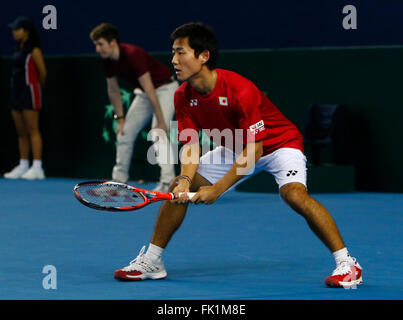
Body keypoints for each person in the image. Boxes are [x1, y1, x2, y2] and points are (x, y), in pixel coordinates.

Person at [113, 22, 363, 288]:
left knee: (294, 195)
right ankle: (152, 262)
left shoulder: (239, 89)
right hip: (234, 146)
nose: (173, 60)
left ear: (203, 56)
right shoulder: (182, 96)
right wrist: (186, 179)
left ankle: (348, 263)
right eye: (172, 53)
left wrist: (217, 189)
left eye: (181, 52)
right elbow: (191, 145)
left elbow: (255, 149)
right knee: (177, 188)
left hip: (277, 145)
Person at [90, 23, 179, 192]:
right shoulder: (107, 60)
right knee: (123, 133)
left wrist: (160, 121)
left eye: (100, 44)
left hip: (165, 88)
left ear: (112, 42)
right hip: (145, 93)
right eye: (96, 45)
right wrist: (120, 119)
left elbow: (150, 88)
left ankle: (168, 182)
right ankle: (118, 182)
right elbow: (113, 90)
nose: (97, 49)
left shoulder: (132, 53)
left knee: (158, 133)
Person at [4, 17, 46, 180]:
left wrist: (34, 87)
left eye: (17, 29)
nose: (14, 32)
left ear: (26, 31)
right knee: (21, 131)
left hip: (30, 91)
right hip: (16, 91)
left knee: (32, 129)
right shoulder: (17, 49)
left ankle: (37, 167)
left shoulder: (34, 50)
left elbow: (43, 73)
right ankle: (23, 165)